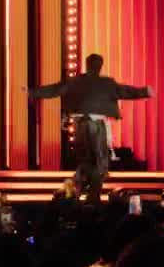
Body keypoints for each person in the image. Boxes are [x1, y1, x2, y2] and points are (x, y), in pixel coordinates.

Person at [29, 53, 153, 202]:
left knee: (87, 161)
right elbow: (125, 91)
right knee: (100, 163)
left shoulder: (76, 81)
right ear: (100, 66)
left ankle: (76, 190)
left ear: (87, 65)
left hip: (80, 125)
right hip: (95, 125)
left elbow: (56, 89)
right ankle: (90, 195)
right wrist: (145, 91)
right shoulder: (106, 83)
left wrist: (33, 92)